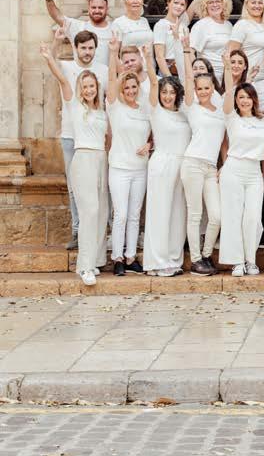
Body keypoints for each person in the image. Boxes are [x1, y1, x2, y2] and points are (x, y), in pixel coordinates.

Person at [40, 43, 108, 286]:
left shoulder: (102, 111)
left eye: (92, 86)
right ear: (80, 88)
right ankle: (85, 267)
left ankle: (95, 260)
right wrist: (50, 57)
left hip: (101, 160)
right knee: (90, 211)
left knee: (101, 212)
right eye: (85, 86)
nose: (89, 90)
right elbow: (61, 79)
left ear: (97, 88)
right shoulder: (75, 105)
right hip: (83, 159)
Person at [50, 27, 108, 251]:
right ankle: (77, 230)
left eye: (91, 48)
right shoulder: (67, 67)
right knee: (74, 188)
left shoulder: (102, 70)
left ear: (95, 49)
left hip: (95, 140)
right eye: (83, 47)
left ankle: (98, 232)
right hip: (70, 137)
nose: (87, 51)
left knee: (99, 189)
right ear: (75, 48)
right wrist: (56, 42)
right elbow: (50, 62)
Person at [141, 45, 191, 277]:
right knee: (159, 212)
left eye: (171, 92)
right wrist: (148, 58)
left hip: (182, 164)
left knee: (178, 213)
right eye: (164, 92)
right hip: (162, 162)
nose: (168, 96)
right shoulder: (155, 110)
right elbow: (153, 82)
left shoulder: (183, 113)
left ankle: (173, 258)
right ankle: (156, 262)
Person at [106, 36, 152, 277]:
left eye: (134, 87)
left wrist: (149, 144)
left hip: (140, 168)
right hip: (120, 168)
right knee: (121, 214)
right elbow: (111, 82)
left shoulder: (144, 109)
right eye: (127, 88)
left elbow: (153, 133)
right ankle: (117, 258)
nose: (131, 91)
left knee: (135, 215)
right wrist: (114, 54)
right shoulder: (115, 106)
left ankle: (132, 256)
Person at [180, 32, 226, 276]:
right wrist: (187, 51)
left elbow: (223, 141)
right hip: (193, 163)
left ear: (213, 88)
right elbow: (189, 78)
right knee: (195, 214)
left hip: (210, 167)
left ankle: (207, 255)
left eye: (207, 87)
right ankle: (196, 260)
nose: (204, 91)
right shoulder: (192, 108)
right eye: (200, 88)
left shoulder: (220, 110)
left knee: (216, 216)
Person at [218, 60, 264, 277]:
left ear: (254, 99)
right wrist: (228, 68)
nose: (245, 101)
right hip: (234, 169)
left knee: (253, 218)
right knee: (233, 216)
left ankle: (251, 259)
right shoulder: (232, 117)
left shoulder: (263, 120)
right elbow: (229, 93)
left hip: (254, 172)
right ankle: (237, 261)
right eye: (241, 97)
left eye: (248, 97)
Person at [153, 0, 223, 77]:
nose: (178, 6)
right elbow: (159, 57)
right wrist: (169, 78)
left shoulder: (183, 22)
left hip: (186, 70)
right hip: (171, 72)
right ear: (168, 3)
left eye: (182, 5)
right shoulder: (161, 25)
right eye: (176, 3)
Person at [44, 0, 114, 65]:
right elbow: (57, 16)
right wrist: (49, 0)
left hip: (106, 73)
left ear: (107, 9)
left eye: (100, 8)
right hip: (81, 73)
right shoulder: (78, 27)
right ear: (89, 9)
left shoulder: (114, 28)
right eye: (93, 7)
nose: (97, 11)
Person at [189, 0, 233, 82]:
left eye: (218, 1)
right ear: (205, 5)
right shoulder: (201, 25)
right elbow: (190, 52)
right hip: (208, 77)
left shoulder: (228, 25)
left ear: (224, 3)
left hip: (228, 75)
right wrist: (196, 75)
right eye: (210, 2)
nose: (215, 5)